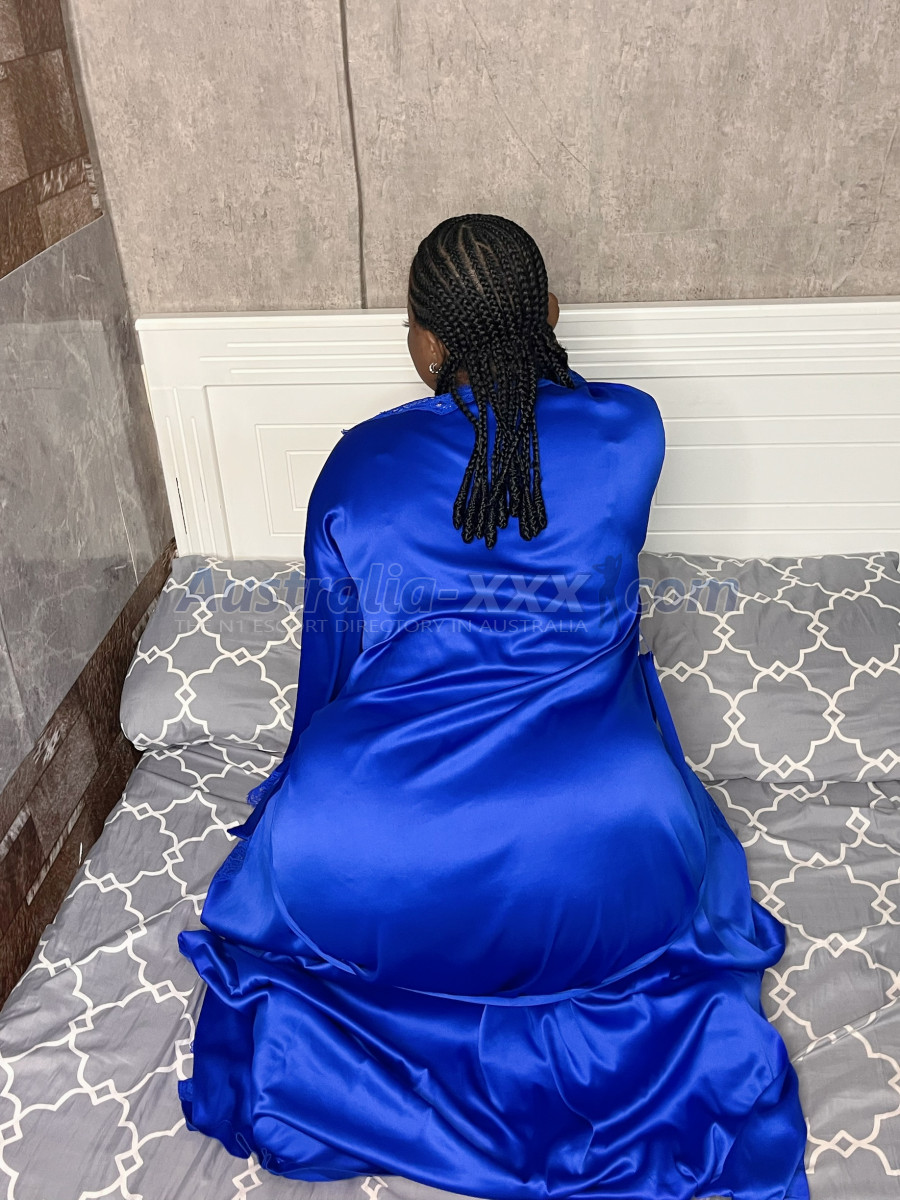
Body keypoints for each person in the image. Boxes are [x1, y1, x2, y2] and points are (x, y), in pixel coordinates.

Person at [178, 214, 810, 1200]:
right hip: (602, 835)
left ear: (423, 342)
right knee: (665, 846)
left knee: (296, 876)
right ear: (551, 312)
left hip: (372, 842)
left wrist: (293, 789)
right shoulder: (633, 431)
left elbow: (329, 664)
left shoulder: (360, 465)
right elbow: (548, 467)